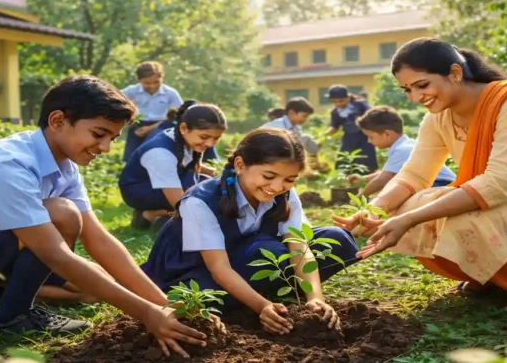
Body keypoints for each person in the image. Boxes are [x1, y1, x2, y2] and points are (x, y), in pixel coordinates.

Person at [0, 75, 216, 358]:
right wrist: (146, 314)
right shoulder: (9, 163)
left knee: (88, 272)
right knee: (62, 215)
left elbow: (98, 238)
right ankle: (9, 315)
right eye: (98, 134)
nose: (105, 148)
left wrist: (163, 304)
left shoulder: (63, 165)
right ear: (57, 121)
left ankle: (8, 303)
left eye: (112, 138)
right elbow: (55, 254)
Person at [333, 38, 507, 313]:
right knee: (411, 203)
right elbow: (414, 174)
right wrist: (374, 210)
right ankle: (497, 277)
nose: (416, 97)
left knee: (448, 217)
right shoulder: (438, 117)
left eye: (422, 85)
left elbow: (499, 183)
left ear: (455, 73)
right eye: (407, 90)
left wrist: (407, 221)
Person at [141, 128, 359, 334]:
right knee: (260, 257)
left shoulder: (284, 194)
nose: (276, 187)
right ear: (240, 164)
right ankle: (258, 302)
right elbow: (219, 268)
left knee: (337, 240)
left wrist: (315, 298)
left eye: (289, 179)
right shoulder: (200, 201)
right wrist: (261, 305)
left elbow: (300, 247)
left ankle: (277, 300)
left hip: (247, 257)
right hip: (196, 271)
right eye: (268, 176)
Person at [119, 101, 227, 228]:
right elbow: (180, 203)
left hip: (168, 182)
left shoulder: (186, 138)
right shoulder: (161, 153)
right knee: (202, 201)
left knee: (211, 186)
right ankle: (156, 214)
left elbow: (189, 166)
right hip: (140, 190)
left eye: (215, 138)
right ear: (183, 128)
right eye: (204, 137)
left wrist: (225, 174)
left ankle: (161, 217)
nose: (209, 144)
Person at [349, 106, 455, 197]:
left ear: (387, 134)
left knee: (391, 190)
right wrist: (364, 179)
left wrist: (358, 198)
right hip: (441, 185)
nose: (369, 141)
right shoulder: (405, 145)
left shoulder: (401, 150)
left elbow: (381, 180)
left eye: (370, 136)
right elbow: (390, 172)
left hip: (442, 185)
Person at [121, 61, 183, 162]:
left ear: (162, 78)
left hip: (161, 124)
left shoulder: (170, 93)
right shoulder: (131, 91)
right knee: (131, 157)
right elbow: (115, 102)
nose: (152, 86)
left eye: (156, 82)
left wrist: (150, 128)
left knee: (152, 153)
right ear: (139, 80)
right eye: (147, 83)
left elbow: (178, 114)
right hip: (137, 124)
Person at [325, 85, 377, 173]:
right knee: (343, 160)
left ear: (348, 97)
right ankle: (345, 181)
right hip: (348, 140)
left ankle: (368, 180)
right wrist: (323, 135)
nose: (338, 104)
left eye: (341, 101)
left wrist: (362, 120)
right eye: (334, 102)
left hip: (364, 138)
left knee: (367, 161)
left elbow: (372, 114)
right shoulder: (335, 112)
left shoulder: (360, 105)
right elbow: (334, 127)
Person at [260, 97, 321, 164]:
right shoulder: (278, 127)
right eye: (304, 116)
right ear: (292, 113)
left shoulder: (296, 128)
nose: (305, 119)